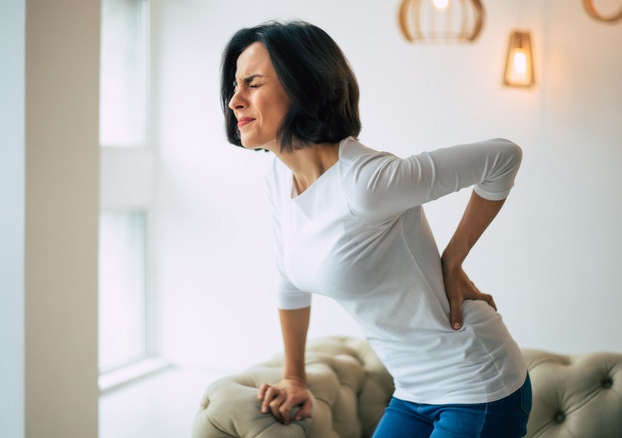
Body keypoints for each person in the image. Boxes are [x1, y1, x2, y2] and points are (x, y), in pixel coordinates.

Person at [220, 20, 531, 437]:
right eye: (234, 86)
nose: (235, 101)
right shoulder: (278, 178)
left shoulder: (364, 182)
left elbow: (502, 157)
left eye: (252, 84)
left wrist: (452, 259)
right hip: (411, 391)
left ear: (304, 85)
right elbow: (289, 280)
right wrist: (295, 377)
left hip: (477, 385)